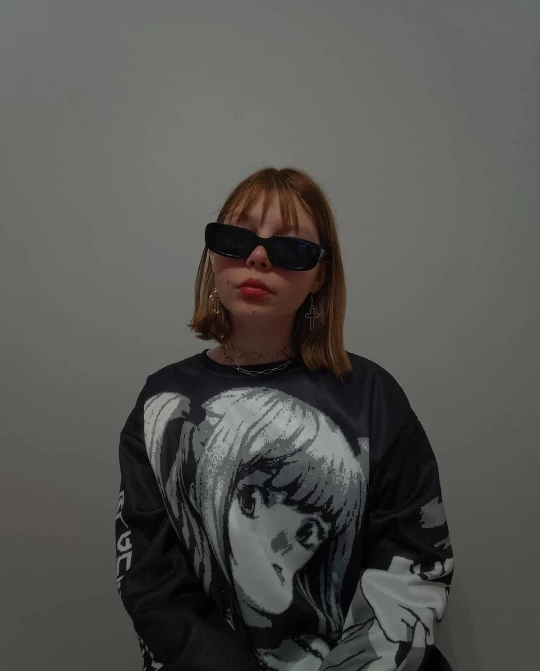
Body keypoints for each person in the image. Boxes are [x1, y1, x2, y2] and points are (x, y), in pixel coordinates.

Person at [115, 167, 454, 671]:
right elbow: (153, 583)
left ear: (320, 275)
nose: (257, 257)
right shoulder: (163, 403)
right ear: (212, 256)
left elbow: (413, 561)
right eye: (236, 239)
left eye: (291, 248)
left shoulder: (373, 397)